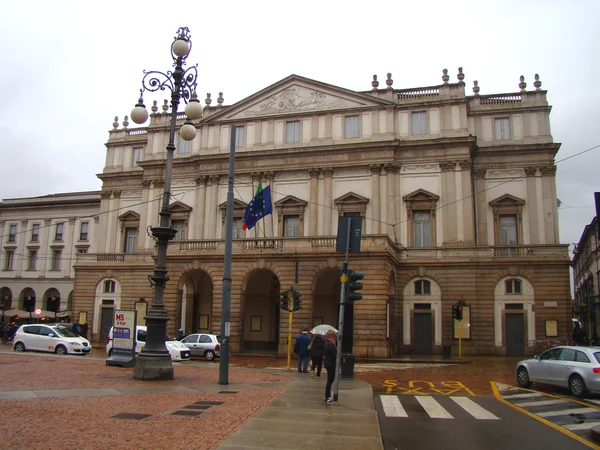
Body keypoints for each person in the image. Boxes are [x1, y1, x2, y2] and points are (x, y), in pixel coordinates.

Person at [323, 329, 338, 402]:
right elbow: (335, 354)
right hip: (331, 363)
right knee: (330, 380)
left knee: (330, 379)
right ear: (331, 337)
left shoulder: (327, 343)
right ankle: (327, 396)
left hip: (329, 363)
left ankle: (327, 396)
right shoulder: (330, 344)